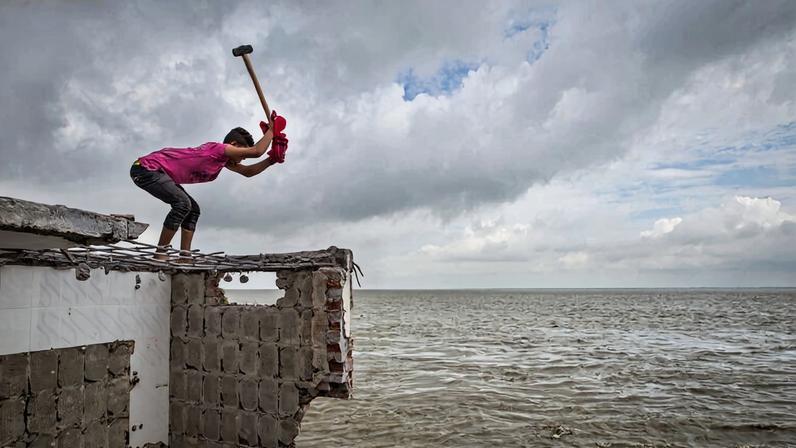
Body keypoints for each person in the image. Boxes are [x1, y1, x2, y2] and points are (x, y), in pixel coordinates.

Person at [130, 113, 288, 261]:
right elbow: (256, 151)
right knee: (182, 204)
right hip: (146, 168)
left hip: (159, 173)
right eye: (242, 154)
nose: (242, 159)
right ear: (233, 145)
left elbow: (248, 172)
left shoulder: (223, 161)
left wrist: (272, 160)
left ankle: (185, 256)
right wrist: (272, 130)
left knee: (193, 210)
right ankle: (160, 253)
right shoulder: (219, 149)